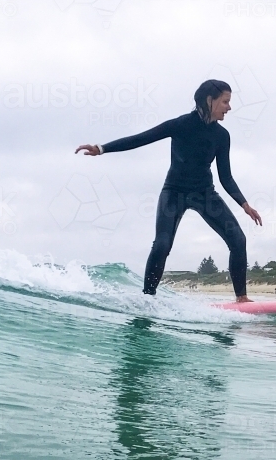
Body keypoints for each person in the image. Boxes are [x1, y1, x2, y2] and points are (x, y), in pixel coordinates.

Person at [75, 80, 262, 302]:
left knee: (238, 240)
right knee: (162, 244)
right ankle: (148, 299)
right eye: (225, 102)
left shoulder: (222, 136)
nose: (229, 108)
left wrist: (244, 204)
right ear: (209, 100)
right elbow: (142, 138)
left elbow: (226, 177)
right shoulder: (181, 125)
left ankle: (241, 299)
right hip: (174, 193)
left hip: (204, 193)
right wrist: (102, 148)